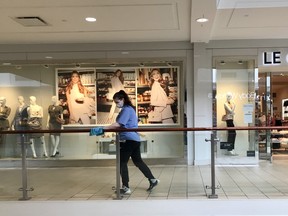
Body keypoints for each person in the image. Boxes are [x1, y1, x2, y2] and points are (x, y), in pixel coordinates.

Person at [103, 90, 159, 195]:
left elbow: (118, 124)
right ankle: (153, 180)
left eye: (117, 102)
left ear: (122, 99)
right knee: (138, 161)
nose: (117, 104)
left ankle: (125, 187)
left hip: (128, 140)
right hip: (134, 139)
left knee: (122, 163)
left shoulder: (126, 110)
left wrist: (103, 128)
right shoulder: (130, 109)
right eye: (115, 103)